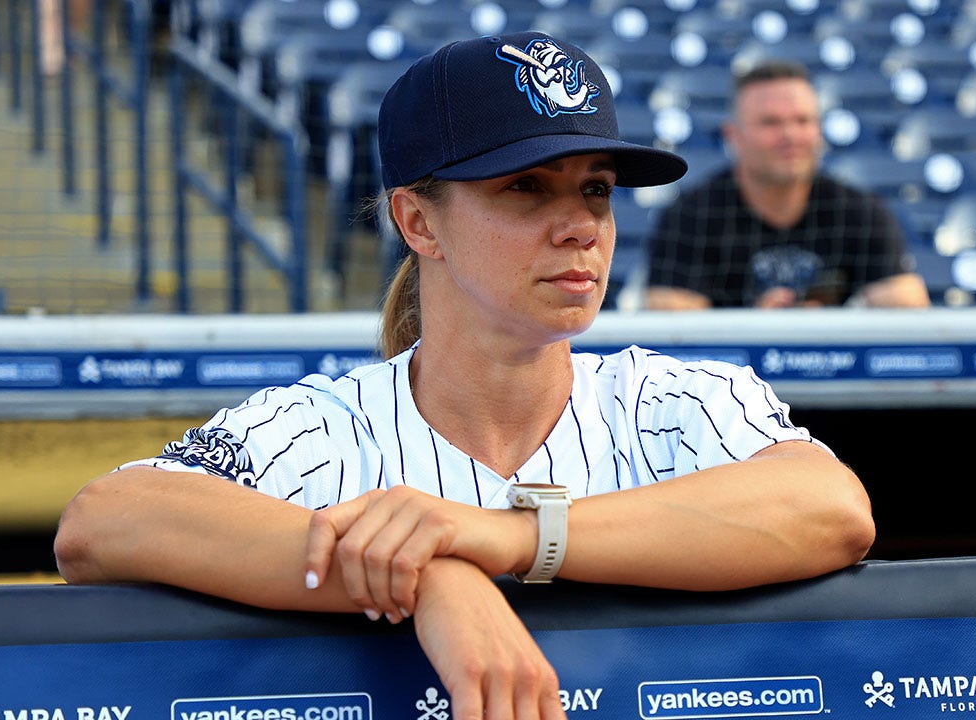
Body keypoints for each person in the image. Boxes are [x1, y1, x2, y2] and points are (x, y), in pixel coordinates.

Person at [53, 32, 875, 720]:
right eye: (526, 188)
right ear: (418, 220)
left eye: (596, 190)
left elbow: (832, 509)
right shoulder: (327, 428)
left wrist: (505, 539)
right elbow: (103, 521)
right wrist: (432, 579)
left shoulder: (673, 400)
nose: (581, 226)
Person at [644, 60, 931, 310]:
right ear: (734, 136)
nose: (790, 135)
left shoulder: (860, 211)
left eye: (802, 120)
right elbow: (671, 324)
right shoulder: (691, 216)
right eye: (771, 123)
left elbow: (908, 309)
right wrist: (760, 331)